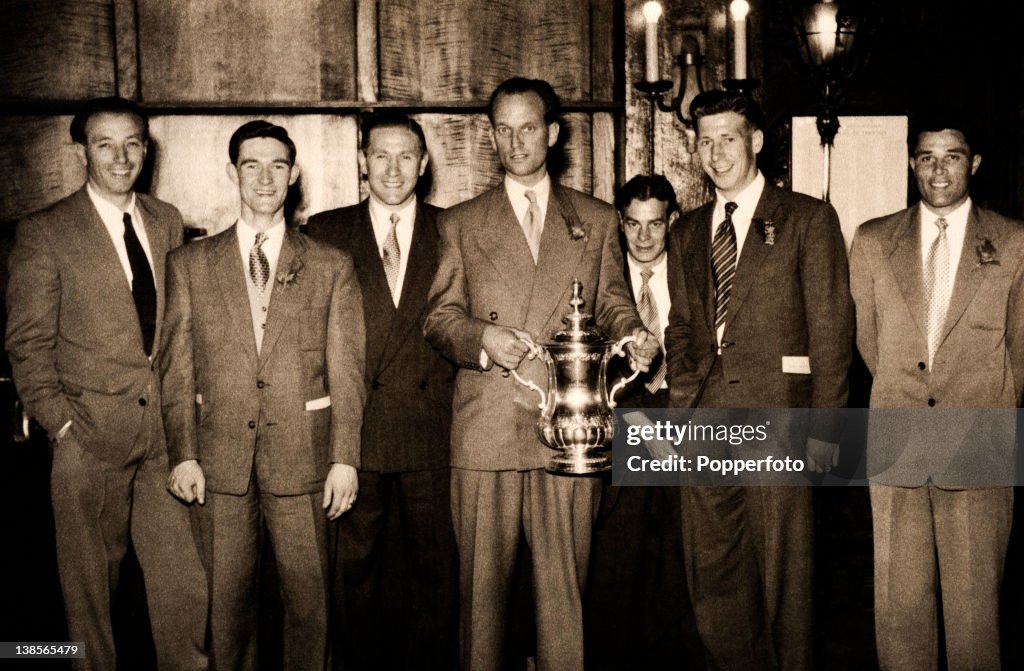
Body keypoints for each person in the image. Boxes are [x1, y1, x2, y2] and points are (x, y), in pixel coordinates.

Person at [424, 77, 657, 670]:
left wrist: (633, 334)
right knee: (482, 605)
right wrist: (483, 338)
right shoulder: (460, 222)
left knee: (564, 599)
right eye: (502, 129)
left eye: (527, 128)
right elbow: (439, 319)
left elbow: (612, 302)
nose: (515, 141)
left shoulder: (597, 218)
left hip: (569, 431)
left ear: (552, 134)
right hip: (486, 430)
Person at [5, 96, 208, 671]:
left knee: (187, 591)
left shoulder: (167, 219)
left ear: (147, 148)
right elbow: (26, 344)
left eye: (133, 143)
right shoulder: (45, 232)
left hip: (166, 442)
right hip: (89, 442)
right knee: (90, 603)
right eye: (104, 144)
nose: (121, 157)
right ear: (80, 151)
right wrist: (64, 425)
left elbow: (177, 329)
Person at [159, 120, 365, 670]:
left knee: (310, 608)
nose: (265, 177)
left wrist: (345, 459)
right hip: (220, 465)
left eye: (278, 165)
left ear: (294, 174)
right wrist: (183, 453)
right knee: (226, 611)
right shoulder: (190, 264)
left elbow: (347, 373)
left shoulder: (330, 265)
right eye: (252, 164)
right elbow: (176, 369)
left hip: (306, 463)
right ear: (233, 173)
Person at [664, 90, 853, 670]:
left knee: (783, 579)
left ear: (756, 141)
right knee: (713, 574)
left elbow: (831, 335)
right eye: (705, 141)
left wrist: (826, 432)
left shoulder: (807, 218)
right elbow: (681, 330)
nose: (716, 153)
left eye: (728, 138)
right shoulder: (688, 230)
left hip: (782, 422)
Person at [849, 110, 1024, 670]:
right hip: (898, 437)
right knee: (899, 610)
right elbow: (867, 342)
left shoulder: (1014, 242)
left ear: (973, 162)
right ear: (911, 164)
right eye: (926, 157)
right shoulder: (874, 241)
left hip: (978, 441)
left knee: (975, 613)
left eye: (952, 156)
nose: (939, 170)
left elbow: (1021, 351)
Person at [305, 111, 458, 671]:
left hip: (434, 431)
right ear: (363, 163)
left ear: (423, 164)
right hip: (354, 432)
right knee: (354, 575)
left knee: (436, 574)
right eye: (381, 156)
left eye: (406, 156)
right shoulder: (324, 230)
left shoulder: (454, 228)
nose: (393, 169)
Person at [586, 174, 706, 670]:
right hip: (624, 419)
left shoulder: (695, 273)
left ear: (671, 222)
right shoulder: (602, 280)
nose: (643, 237)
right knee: (622, 547)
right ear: (620, 223)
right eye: (633, 224)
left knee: (683, 546)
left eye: (655, 224)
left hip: (683, 417)